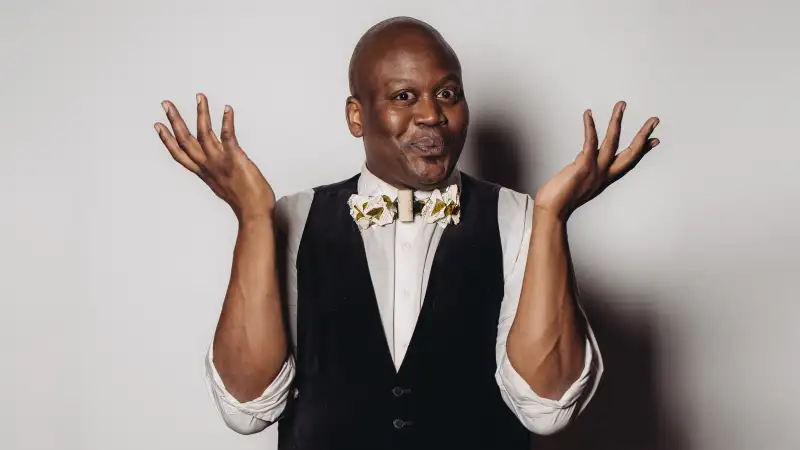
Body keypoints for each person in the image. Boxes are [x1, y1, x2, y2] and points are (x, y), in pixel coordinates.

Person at [153, 16, 660, 450]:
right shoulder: (294, 217)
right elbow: (247, 408)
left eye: (447, 93)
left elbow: (546, 408)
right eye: (404, 96)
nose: (431, 115)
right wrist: (253, 217)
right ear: (357, 115)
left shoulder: (519, 217)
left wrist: (551, 217)